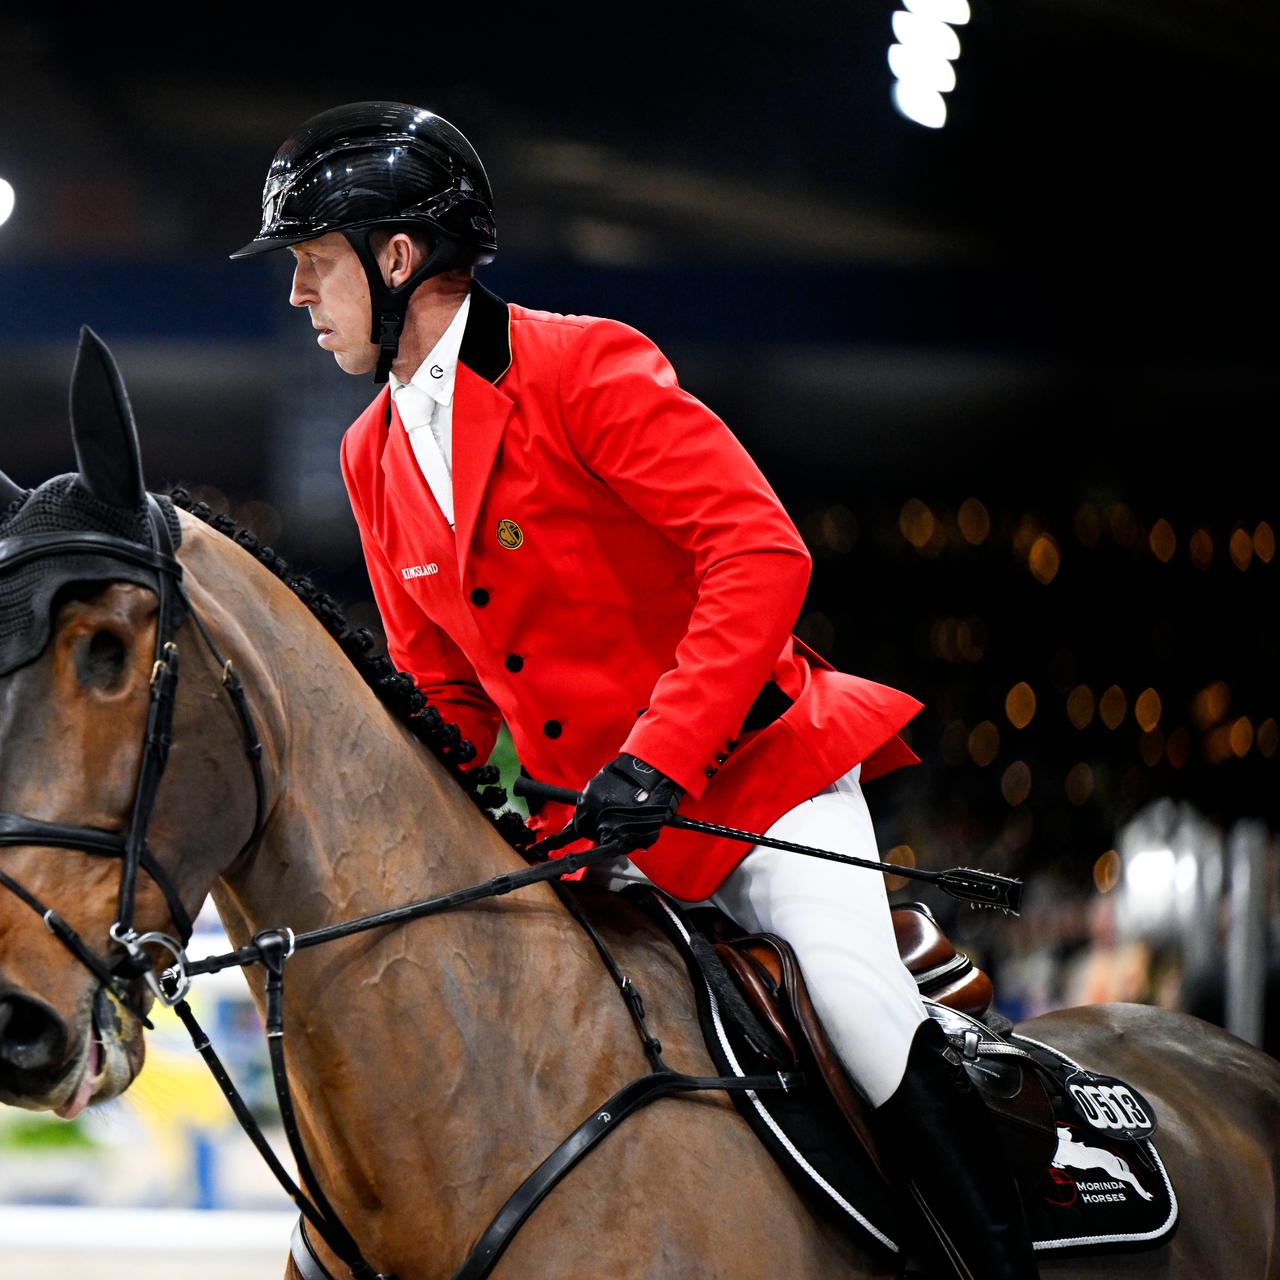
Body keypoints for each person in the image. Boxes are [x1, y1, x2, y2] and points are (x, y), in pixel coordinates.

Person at [232, 101, 1037, 1280]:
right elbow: (439, 685)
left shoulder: (583, 364)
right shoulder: (372, 454)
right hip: (589, 829)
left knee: (864, 1021)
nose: (299, 294)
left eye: (313, 263)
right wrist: (480, 826)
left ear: (397, 259)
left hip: (754, 786)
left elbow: (762, 556)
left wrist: (658, 758)